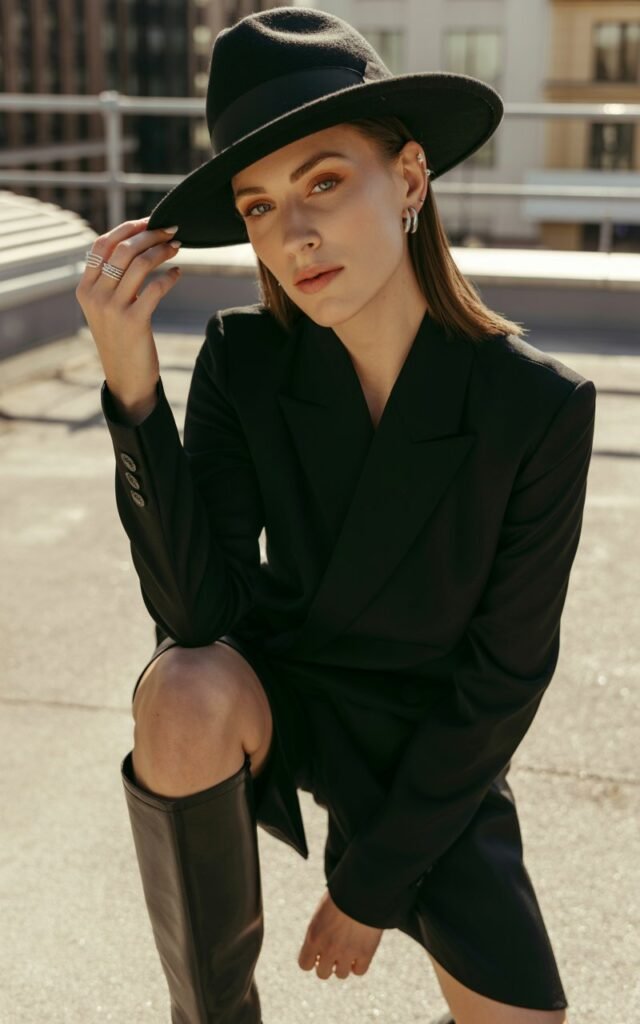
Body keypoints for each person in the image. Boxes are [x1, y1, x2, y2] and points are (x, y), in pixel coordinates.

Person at [75, 8, 596, 1024]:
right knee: (180, 689)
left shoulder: (533, 407)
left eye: (323, 181)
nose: (294, 233)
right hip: (288, 692)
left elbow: (502, 681)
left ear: (407, 179)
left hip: (430, 735)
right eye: (259, 205)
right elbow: (196, 614)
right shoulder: (245, 360)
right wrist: (135, 388)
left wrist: (366, 890)